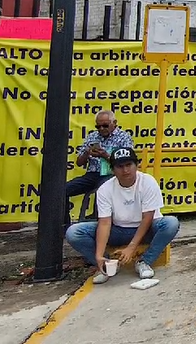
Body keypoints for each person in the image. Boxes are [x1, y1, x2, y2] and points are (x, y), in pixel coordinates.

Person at [65, 147, 180, 284]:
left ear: (136, 165)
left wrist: (131, 248)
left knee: (171, 223)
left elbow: (147, 218)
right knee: (74, 232)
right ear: (112, 169)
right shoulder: (105, 189)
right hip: (118, 229)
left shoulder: (148, 182)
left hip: (147, 229)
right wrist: (99, 255)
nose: (125, 170)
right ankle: (107, 264)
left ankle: (144, 261)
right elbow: (105, 223)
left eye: (129, 165)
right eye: (120, 166)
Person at [65, 111, 134, 223]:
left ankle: (99, 223)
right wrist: (87, 153)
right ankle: (64, 226)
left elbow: (125, 162)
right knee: (63, 190)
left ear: (114, 123)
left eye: (105, 126)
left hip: (111, 174)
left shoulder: (124, 137)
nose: (101, 129)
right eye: (98, 126)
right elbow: (79, 162)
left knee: (102, 190)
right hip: (92, 174)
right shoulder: (92, 136)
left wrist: (105, 155)